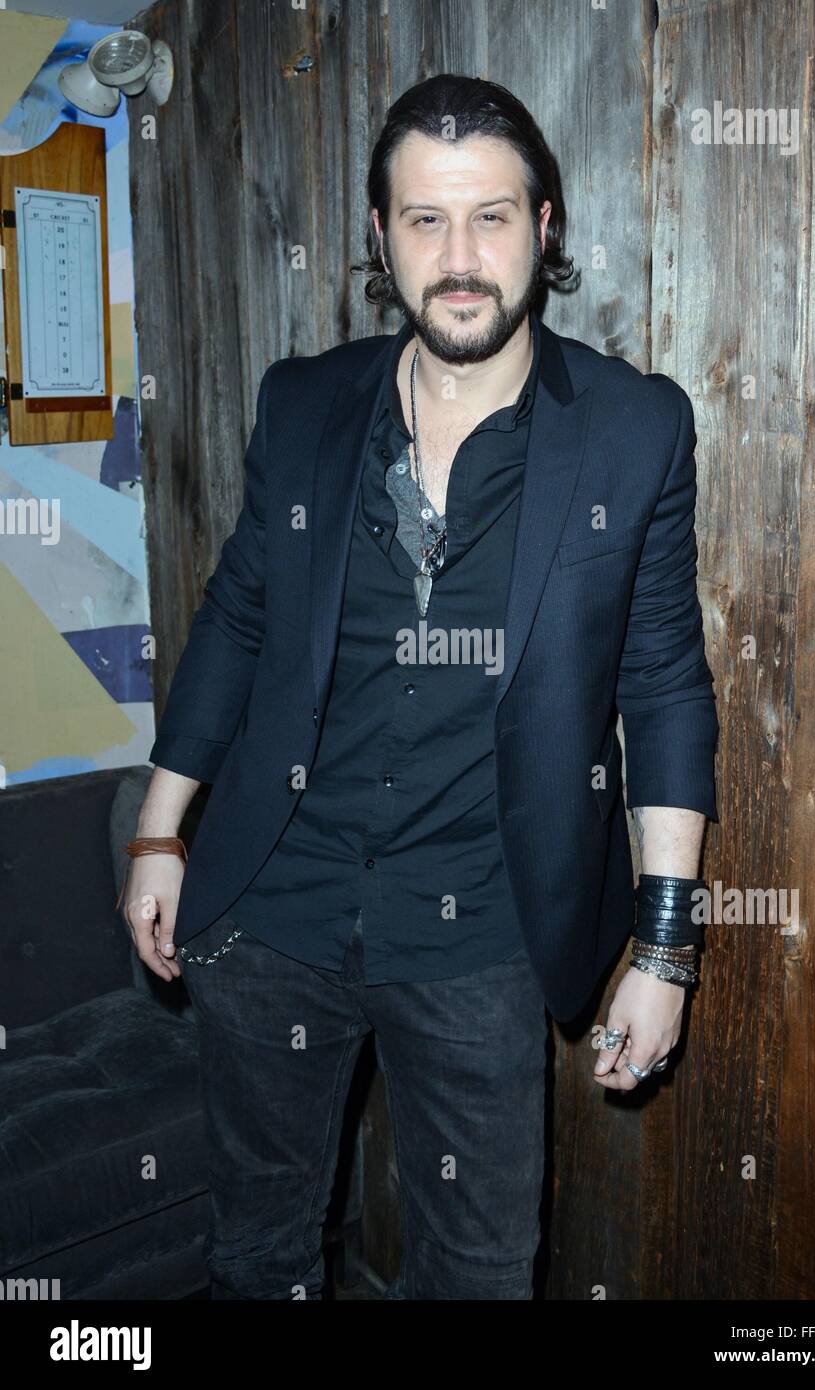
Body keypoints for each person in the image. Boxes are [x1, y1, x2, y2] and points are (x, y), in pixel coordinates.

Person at [119, 73, 719, 1301]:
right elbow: (237, 617)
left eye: (490, 217)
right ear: (379, 238)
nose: (459, 258)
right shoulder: (303, 405)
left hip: (483, 935)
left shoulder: (631, 429)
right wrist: (158, 827)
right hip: (271, 906)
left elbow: (660, 682)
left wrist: (663, 946)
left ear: (544, 227)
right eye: (425, 221)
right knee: (261, 1252)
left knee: (481, 1271)